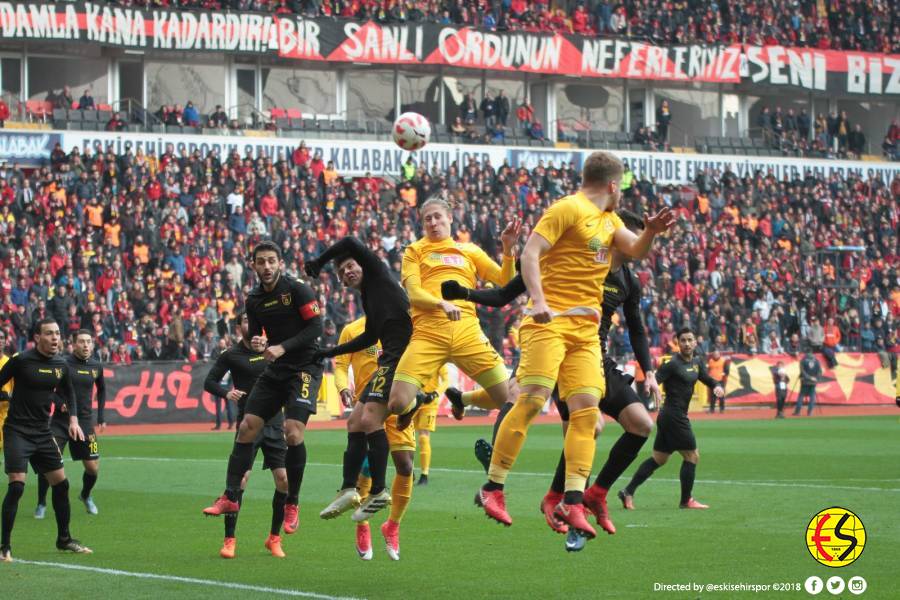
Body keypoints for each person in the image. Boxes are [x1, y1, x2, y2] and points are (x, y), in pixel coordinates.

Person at [476, 151, 673, 542]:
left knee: (586, 413)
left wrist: (650, 231)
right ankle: (493, 488)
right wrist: (541, 300)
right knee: (532, 399)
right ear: (613, 185)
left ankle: (572, 500)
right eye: (623, 187)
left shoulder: (610, 220)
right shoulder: (567, 208)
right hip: (548, 322)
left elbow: (635, 251)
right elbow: (530, 252)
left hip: (586, 332)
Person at [443, 209, 662, 547]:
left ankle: (595, 493)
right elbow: (505, 294)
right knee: (570, 417)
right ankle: (554, 503)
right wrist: (465, 292)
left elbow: (636, 327)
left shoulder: (627, 280)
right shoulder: (569, 257)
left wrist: (648, 372)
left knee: (642, 425)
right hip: (557, 350)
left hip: (594, 355)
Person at [203, 241, 324, 545]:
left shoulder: (298, 289)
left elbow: (316, 328)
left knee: (293, 433)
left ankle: (292, 501)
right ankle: (231, 496)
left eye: (272, 261)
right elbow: (256, 332)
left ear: (279, 263)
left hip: (305, 367)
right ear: (253, 266)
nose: (267, 267)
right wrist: (254, 338)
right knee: (246, 426)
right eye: (261, 262)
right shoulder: (253, 299)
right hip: (276, 370)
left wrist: (282, 346)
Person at [384, 198, 518, 440]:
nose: (433, 223)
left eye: (437, 216)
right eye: (428, 219)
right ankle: (415, 402)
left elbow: (505, 282)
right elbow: (413, 293)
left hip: (467, 333)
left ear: (450, 218)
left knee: (508, 400)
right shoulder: (414, 251)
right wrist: (441, 303)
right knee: (396, 403)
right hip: (428, 335)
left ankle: (461, 398)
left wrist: (508, 249)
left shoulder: (469, 251)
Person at [305, 236, 414, 525]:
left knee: (369, 420)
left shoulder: (378, 273)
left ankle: (378, 490)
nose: (347, 273)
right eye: (341, 272)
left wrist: (320, 261)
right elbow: (369, 336)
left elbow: (351, 240)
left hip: (404, 357)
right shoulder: (368, 296)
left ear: (362, 265)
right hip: (389, 359)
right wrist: (331, 351)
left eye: (350, 266)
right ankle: (349, 488)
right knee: (354, 422)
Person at [0, 318, 92, 562]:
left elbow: (69, 392)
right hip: (17, 431)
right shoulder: (20, 361)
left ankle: (64, 539)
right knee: (17, 486)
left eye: (57, 334)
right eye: (49, 334)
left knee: (61, 485)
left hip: (43, 432)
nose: (54, 338)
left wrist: (73, 420)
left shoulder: (61, 365)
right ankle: (4, 547)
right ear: (37, 337)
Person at [329, 315, 420, 561]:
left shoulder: (403, 326)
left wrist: (414, 405)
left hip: (397, 403)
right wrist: (342, 387)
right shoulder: (353, 329)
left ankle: (393, 525)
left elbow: (418, 363)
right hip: (368, 407)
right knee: (366, 467)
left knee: (406, 465)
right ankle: (362, 524)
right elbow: (340, 365)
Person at [203, 311, 288, 559]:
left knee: (283, 480)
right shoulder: (231, 355)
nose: (252, 325)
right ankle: (229, 541)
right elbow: (209, 381)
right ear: (239, 326)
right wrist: (226, 393)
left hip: (274, 424)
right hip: (248, 425)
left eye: (255, 321)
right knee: (240, 481)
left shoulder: (274, 351)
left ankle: (274, 538)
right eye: (246, 321)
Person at [619, 328, 724, 511]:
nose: (687, 343)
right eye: (683, 340)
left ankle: (628, 491)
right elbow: (656, 379)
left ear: (695, 342)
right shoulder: (672, 364)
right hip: (673, 416)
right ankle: (686, 501)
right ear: (678, 343)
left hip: (670, 417)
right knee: (692, 456)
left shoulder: (697, 362)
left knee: (659, 458)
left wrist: (716, 386)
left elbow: (706, 378)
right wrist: (651, 387)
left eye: (690, 340)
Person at [34, 330, 105, 519]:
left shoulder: (96, 366)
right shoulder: (62, 363)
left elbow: (102, 390)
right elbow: (50, 390)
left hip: (85, 423)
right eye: (81, 341)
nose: (85, 345)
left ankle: (85, 495)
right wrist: (60, 404)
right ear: (73, 344)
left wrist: (101, 417)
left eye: (89, 342)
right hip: (60, 423)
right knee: (50, 462)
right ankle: (41, 502)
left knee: (93, 467)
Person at [412, 365, 449, 485]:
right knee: (407, 435)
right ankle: (408, 470)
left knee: (423, 436)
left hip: (430, 401)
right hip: (413, 398)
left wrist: (435, 394)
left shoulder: (440, 360)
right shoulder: (416, 354)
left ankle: (424, 474)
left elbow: (446, 381)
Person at [793, 351, 821, 416]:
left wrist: (809, 377)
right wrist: (816, 378)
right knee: (812, 397)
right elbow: (820, 371)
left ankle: (797, 412)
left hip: (805, 381)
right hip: (813, 382)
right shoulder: (817, 361)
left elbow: (802, 372)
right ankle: (810, 412)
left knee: (801, 396)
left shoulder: (803, 361)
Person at [706, 348, 730, 413]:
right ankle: (712, 409)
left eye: (717, 354)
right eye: (714, 354)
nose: (716, 355)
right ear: (713, 354)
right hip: (712, 381)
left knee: (721, 395)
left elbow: (727, 370)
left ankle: (722, 409)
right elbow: (707, 370)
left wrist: (724, 374)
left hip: (720, 381)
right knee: (712, 396)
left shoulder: (723, 361)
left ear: (719, 354)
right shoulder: (710, 361)